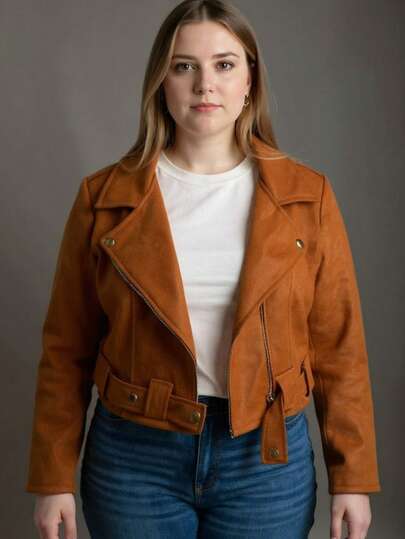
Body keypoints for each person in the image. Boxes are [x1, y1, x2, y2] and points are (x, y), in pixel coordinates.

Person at [26, 1, 381, 538]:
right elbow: (65, 348)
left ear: (249, 81)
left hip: (264, 461)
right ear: (161, 82)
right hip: (134, 457)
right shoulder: (104, 198)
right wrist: (53, 478)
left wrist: (352, 478)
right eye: (184, 66)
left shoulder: (307, 197)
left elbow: (339, 348)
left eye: (224, 64)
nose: (204, 85)